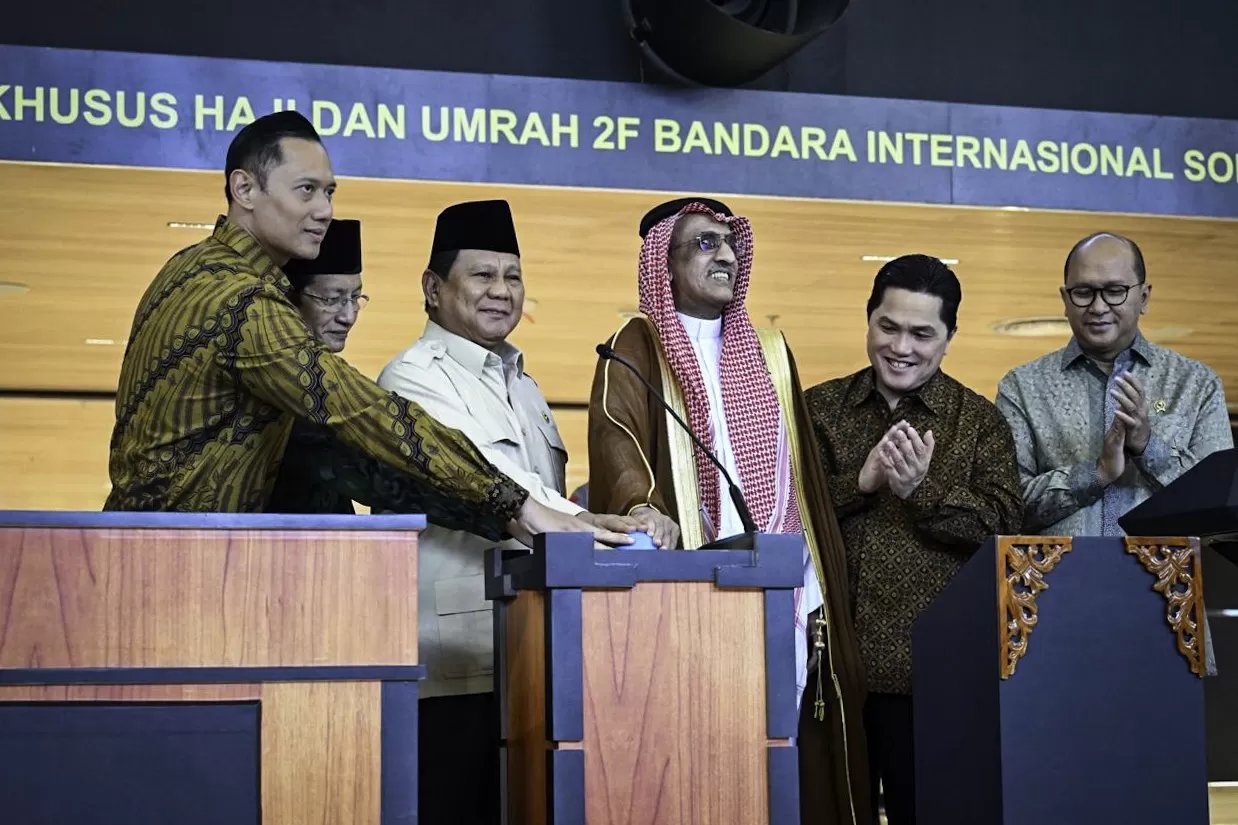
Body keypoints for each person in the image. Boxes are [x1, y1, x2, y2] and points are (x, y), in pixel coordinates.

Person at [104, 110, 625, 550]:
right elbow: (362, 412)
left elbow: (363, 468)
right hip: (173, 564)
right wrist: (518, 507)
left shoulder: (190, 269)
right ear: (244, 188)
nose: (324, 211)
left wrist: (526, 513)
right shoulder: (239, 300)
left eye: (328, 192)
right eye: (306, 191)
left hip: (159, 559)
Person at [587, 197, 871, 825]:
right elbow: (617, 434)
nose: (726, 255)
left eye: (730, 242)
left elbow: (799, 471)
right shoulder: (637, 344)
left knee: (784, 750)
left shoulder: (768, 349)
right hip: (693, 586)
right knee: (706, 754)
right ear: (663, 262)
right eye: (704, 243)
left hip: (782, 582)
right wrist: (641, 504)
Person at [377, 199, 655, 824]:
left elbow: (546, 494)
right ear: (433, 288)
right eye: (482, 275)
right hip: (455, 667)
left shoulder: (525, 387)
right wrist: (593, 526)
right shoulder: (411, 379)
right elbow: (499, 484)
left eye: (513, 276)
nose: (501, 291)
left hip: (536, 656)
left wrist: (605, 518)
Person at [804, 254, 1022, 825]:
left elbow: (1005, 532)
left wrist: (923, 493)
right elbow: (780, 515)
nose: (901, 347)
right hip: (827, 671)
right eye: (889, 326)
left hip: (933, 678)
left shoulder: (979, 422)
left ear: (949, 338)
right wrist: (860, 483)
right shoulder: (817, 410)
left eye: (922, 334)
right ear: (868, 319)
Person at [996, 231, 1233, 537]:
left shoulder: (1196, 384)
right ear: (1065, 300)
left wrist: (1148, 446)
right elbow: (1006, 510)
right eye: (1083, 292)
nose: (1098, 307)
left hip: (1168, 568)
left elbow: (1221, 504)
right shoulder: (1022, 387)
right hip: (1057, 567)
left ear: (1144, 297)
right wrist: (1097, 473)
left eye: (1114, 291)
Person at [266, 217, 365, 514]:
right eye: (332, 299)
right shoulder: (277, 380)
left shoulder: (331, 377)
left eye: (356, 298)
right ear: (289, 300)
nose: (348, 316)